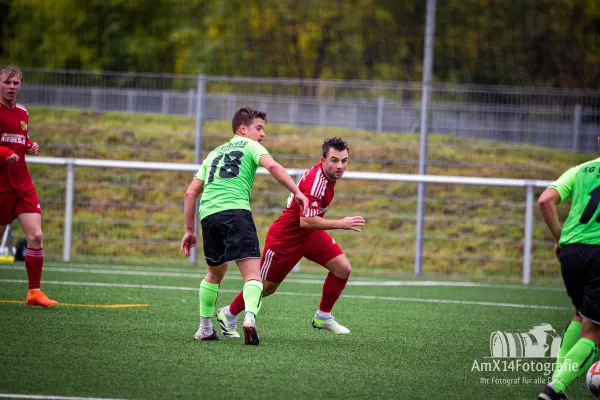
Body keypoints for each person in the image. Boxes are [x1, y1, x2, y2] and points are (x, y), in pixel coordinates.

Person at [181, 106, 308, 346]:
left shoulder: (213, 154)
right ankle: (249, 318)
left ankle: (205, 328)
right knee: (253, 275)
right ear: (243, 129)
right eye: (258, 128)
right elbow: (273, 167)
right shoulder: (251, 146)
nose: (262, 134)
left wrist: (189, 231)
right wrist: (297, 191)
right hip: (236, 211)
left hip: (208, 215)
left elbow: (190, 193)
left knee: (215, 273)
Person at [215, 137, 365, 338]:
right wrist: (342, 223)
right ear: (323, 160)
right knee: (266, 287)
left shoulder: (328, 177)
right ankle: (228, 313)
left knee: (342, 269)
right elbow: (306, 221)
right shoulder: (316, 183)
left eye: (344, 160)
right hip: (286, 239)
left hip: (310, 236)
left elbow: (309, 223)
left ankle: (323, 316)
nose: (340, 166)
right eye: (334, 160)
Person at [537, 140, 600, 400]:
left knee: (578, 314)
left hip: (571, 251)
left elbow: (545, 201)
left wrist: (559, 239)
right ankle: (555, 389)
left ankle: (556, 381)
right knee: (595, 333)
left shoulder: (580, 170)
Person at [0, 65, 57, 308]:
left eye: (16, 83)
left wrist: (30, 145)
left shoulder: (23, 112)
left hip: (22, 183)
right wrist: (4, 153)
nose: (12, 87)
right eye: (7, 82)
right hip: (1, 184)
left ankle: (34, 291)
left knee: (36, 235)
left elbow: (21, 138)